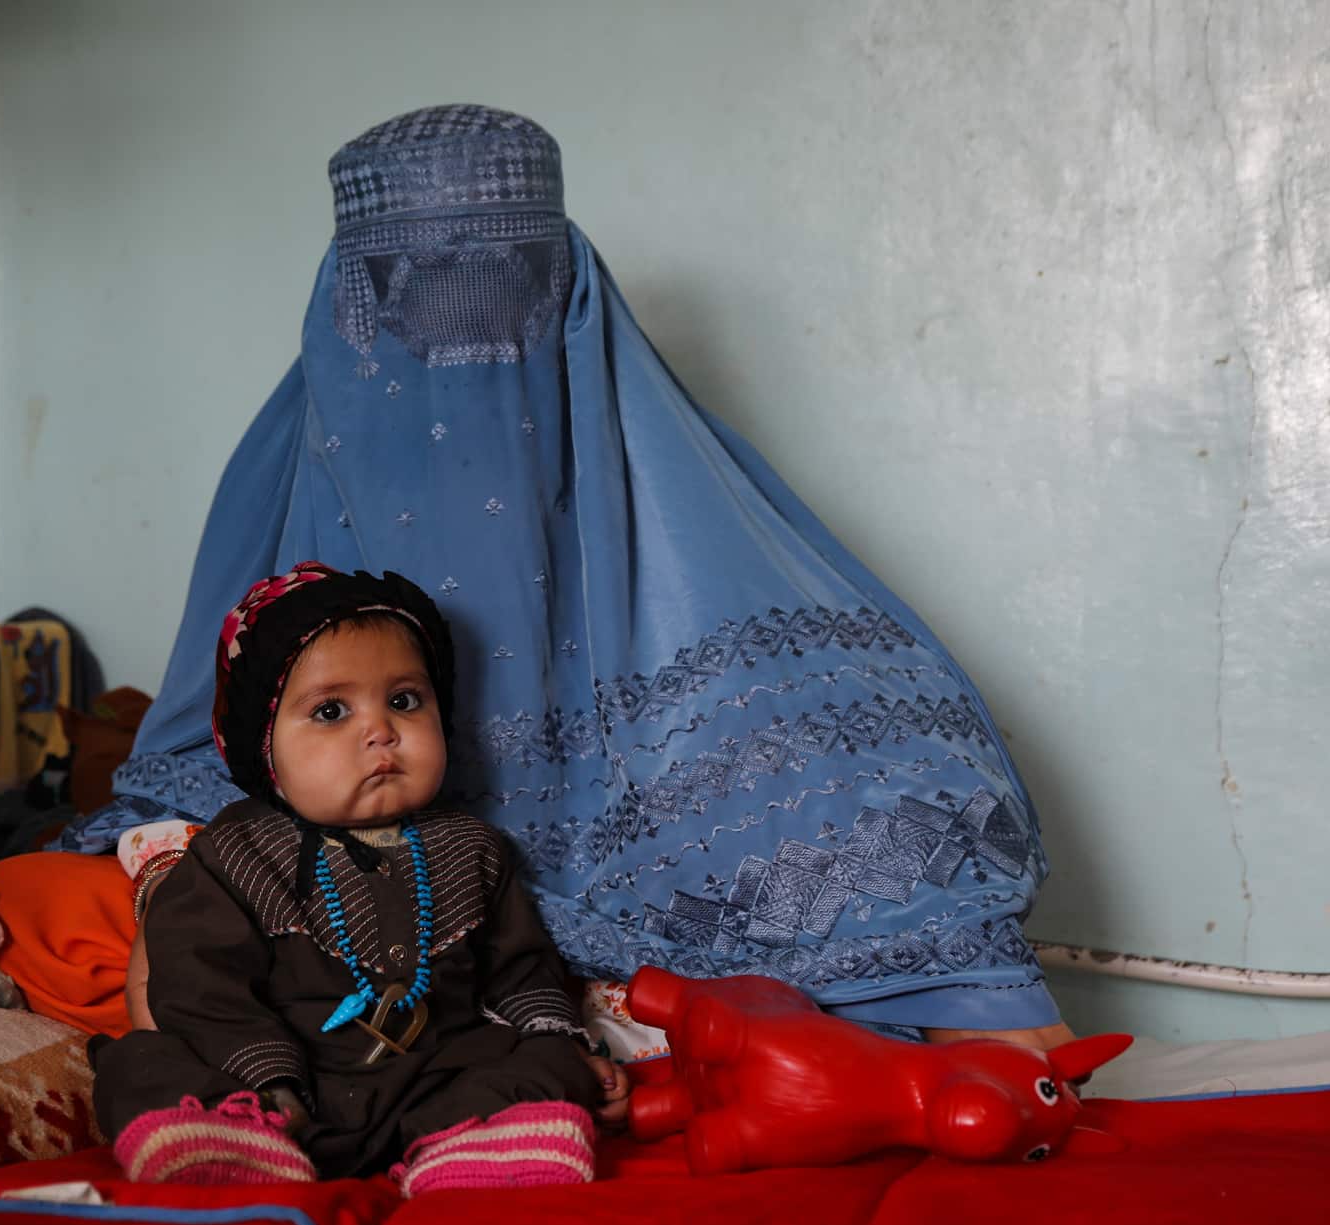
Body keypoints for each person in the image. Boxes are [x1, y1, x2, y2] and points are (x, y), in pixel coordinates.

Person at [60, 104, 1072, 1051]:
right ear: (342, 322)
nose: (464, 380)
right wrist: (171, 885)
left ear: (574, 306)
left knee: (916, 876)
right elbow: (201, 752)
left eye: (504, 300)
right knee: (87, 903)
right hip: (355, 878)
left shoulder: (679, 501)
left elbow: (875, 795)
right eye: (409, 313)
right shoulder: (279, 487)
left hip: (613, 875)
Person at [91, 564, 628, 1194]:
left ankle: (471, 1149)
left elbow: (521, 972)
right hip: (286, 1089)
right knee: (135, 1060)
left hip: (439, 1079)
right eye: (330, 710)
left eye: (404, 700)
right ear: (264, 750)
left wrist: (563, 1043)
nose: (380, 731)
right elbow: (200, 988)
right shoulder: (234, 853)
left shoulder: (473, 848)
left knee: (548, 1056)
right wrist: (270, 1081)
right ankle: (237, 1141)